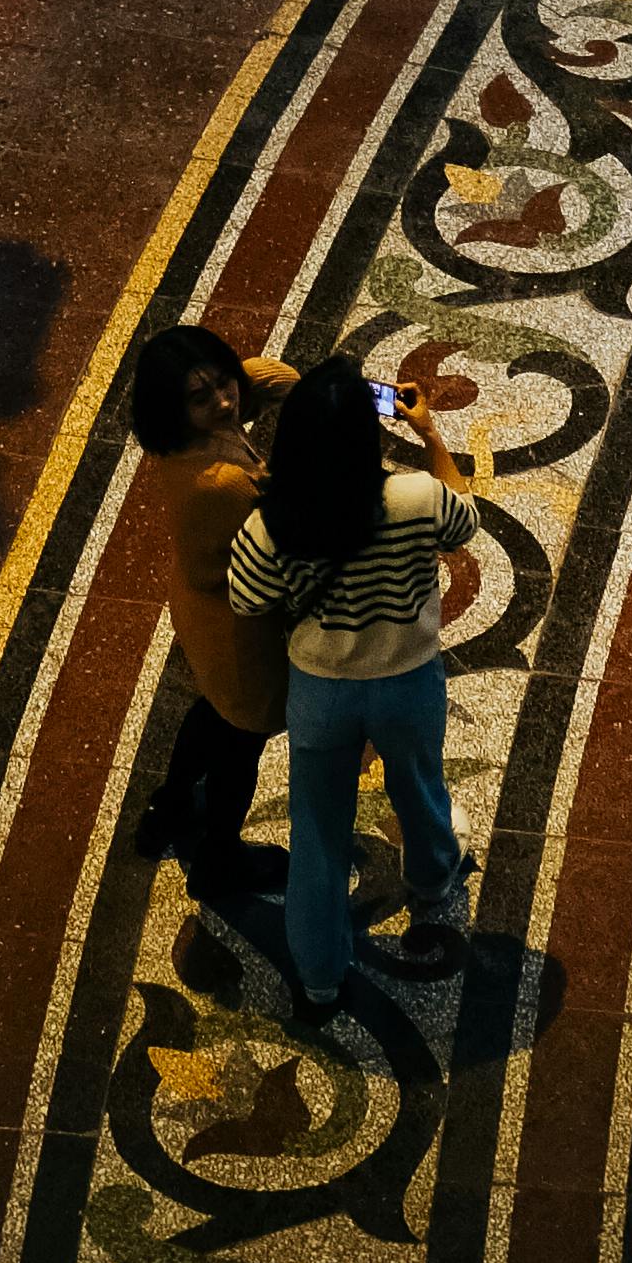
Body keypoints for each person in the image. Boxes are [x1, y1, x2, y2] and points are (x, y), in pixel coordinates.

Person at [219, 356, 478, 1027]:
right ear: (369, 435)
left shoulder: (273, 523)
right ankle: (432, 877)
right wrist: (431, 437)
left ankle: (320, 979)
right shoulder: (415, 498)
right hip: (407, 680)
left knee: (318, 832)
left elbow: (247, 600)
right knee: (419, 787)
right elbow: (465, 525)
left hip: (323, 691)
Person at [122, 320, 293, 906]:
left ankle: (168, 809)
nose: (224, 402)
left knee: (212, 716)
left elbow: (279, 378)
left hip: (203, 611)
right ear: (175, 406)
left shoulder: (175, 439)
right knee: (239, 748)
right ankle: (219, 858)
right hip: (241, 634)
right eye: (202, 397)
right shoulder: (222, 484)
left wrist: (233, 379)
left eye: (225, 384)